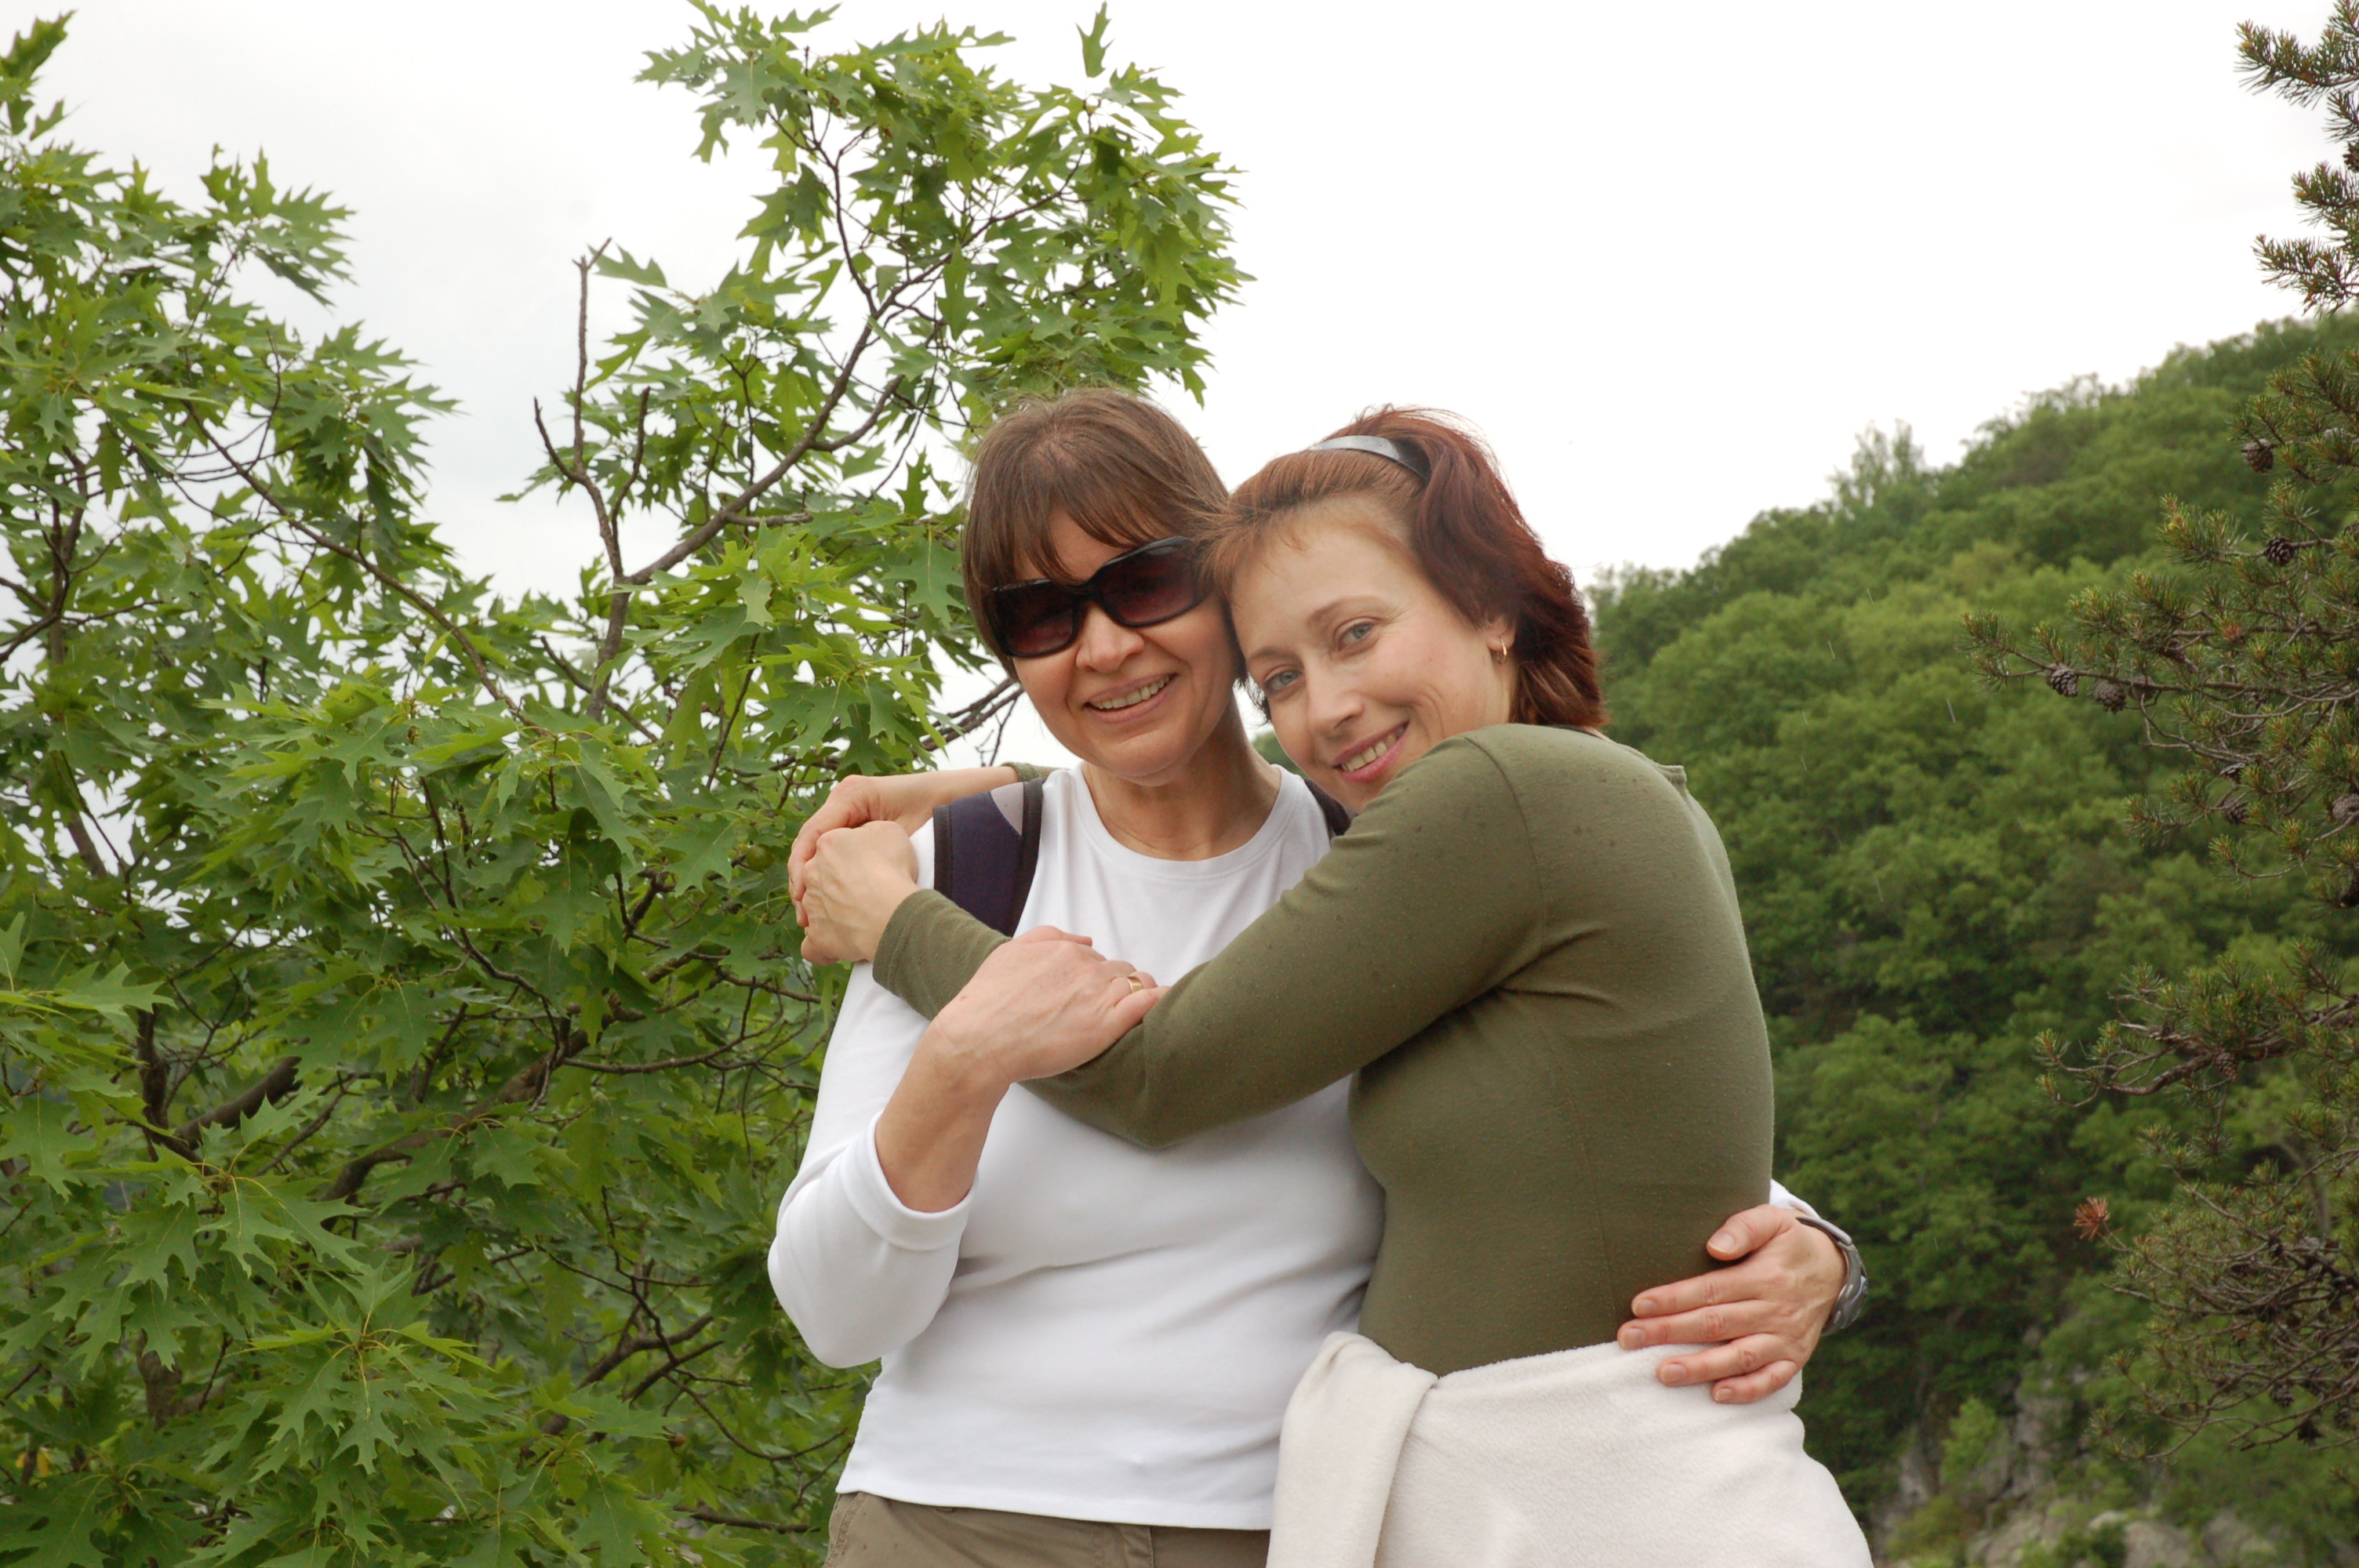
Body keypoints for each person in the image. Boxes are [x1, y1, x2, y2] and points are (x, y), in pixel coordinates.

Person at [780, 393, 1861, 1568]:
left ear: (1222, 591)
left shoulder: (1375, 848)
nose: (1102, 645)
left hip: (1294, 1528)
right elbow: (834, 1316)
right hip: (952, 1525)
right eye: (1040, 615)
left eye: (1143, 583)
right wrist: (960, 1054)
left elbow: (1591, 1105)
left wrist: (1816, 1250)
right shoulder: (963, 870)